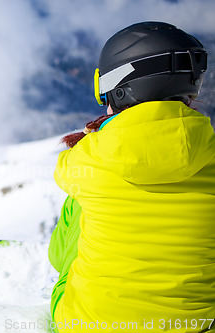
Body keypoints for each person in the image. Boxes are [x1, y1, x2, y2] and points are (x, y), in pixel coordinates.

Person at [49, 21, 215, 332]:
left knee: (84, 202)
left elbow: (59, 256)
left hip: (87, 325)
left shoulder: (86, 160)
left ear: (118, 89)